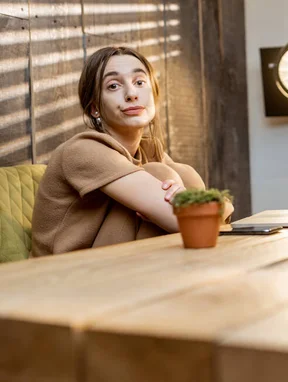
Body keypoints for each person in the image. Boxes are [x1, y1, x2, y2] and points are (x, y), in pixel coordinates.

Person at [31, 46, 233, 256]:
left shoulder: (148, 149)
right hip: (61, 274)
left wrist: (202, 207)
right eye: (114, 86)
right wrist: (224, 205)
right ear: (94, 108)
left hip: (109, 265)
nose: (131, 94)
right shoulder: (82, 150)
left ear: (153, 93)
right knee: (161, 174)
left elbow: (205, 222)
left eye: (139, 82)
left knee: (183, 172)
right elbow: (198, 226)